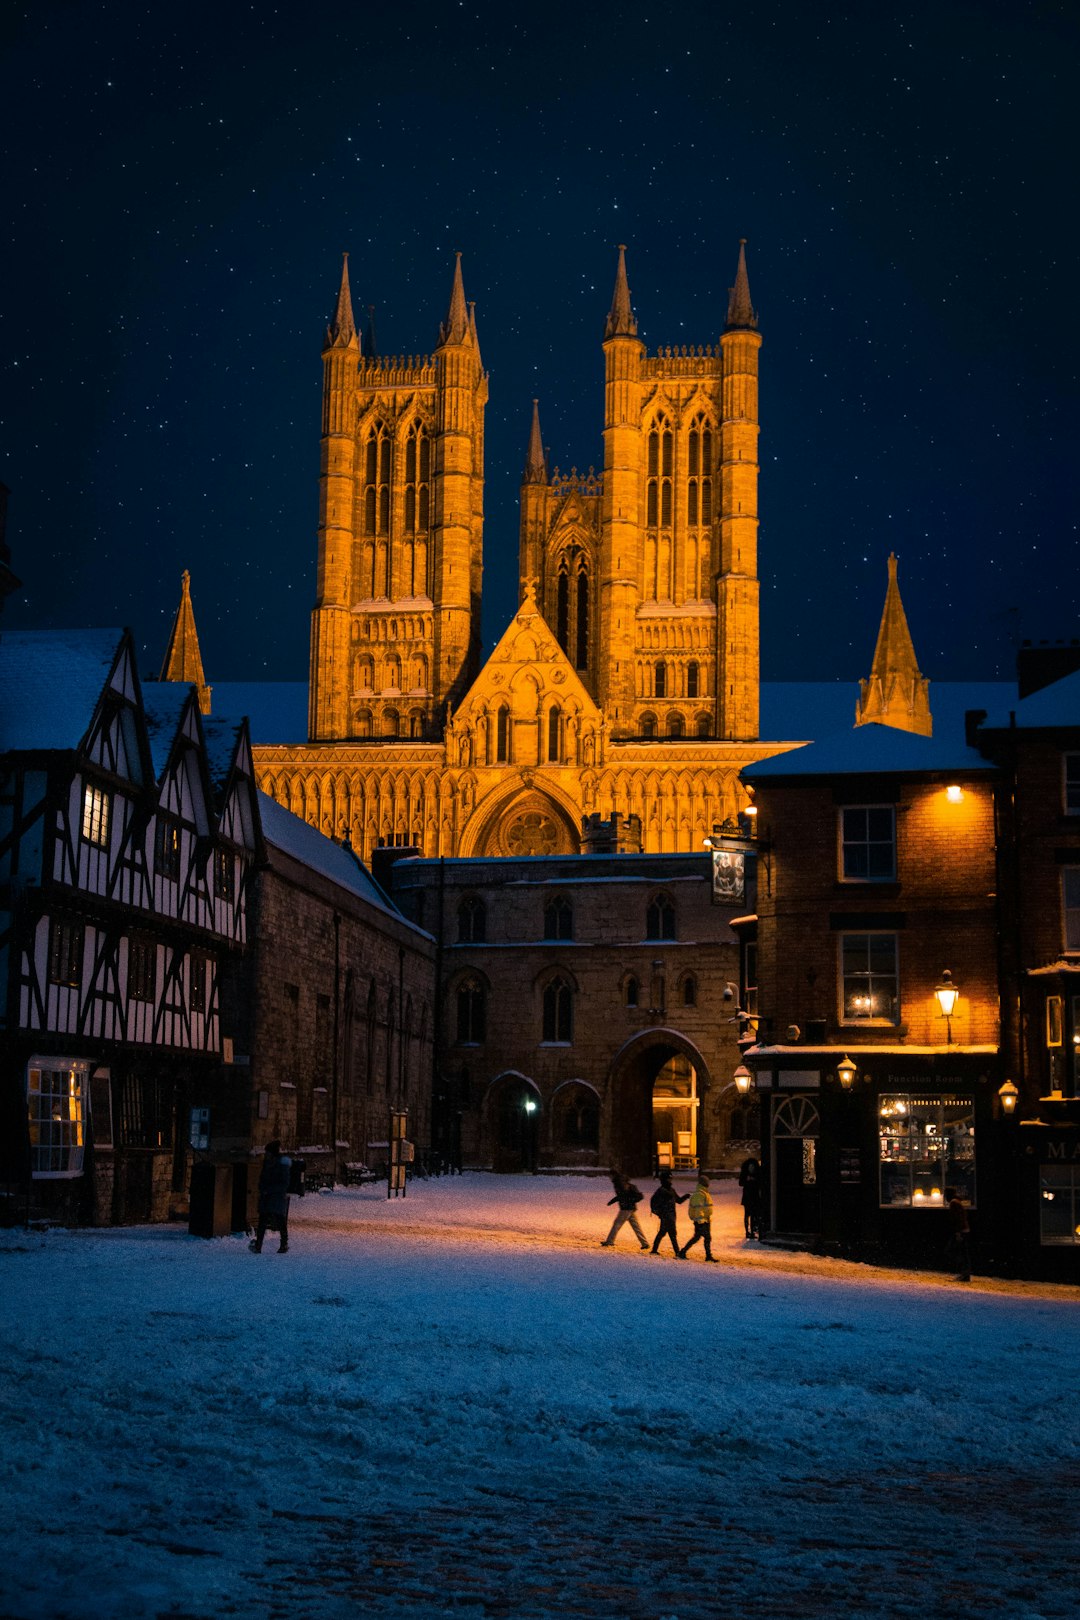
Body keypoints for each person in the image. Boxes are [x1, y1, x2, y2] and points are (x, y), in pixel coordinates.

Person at [250, 1140, 292, 1254]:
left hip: (276, 1197)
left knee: (280, 1221)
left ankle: (284, 1244)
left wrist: (270, 1190)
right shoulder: (267, 1163)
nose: (266, 1155)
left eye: (268, 1153)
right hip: (267, 1197)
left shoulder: (281, 1165)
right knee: (263, 1221)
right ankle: (258, 1245)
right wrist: (262, 1188)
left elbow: (284, 1183)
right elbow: (263, 1178)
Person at [601, 1170, 649, 1250]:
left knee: (617, 1224)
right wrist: (613, 1201)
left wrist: (615, 1201)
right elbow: (623, 1195)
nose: (609, 1177)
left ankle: (610, 1241)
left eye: (609, 1175)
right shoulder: (620, 1182)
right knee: (636, 1226)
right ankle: (645, 1243)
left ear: (613, 1175)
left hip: (626, 1208)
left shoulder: (619, 1183)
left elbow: (622, 1195)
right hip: (630, 1207)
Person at [649, 1170, 688, 1256]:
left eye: (671, 1179)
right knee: (671, 1234)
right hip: (666, 1216)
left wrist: (686, 1196)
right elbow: (653, 1203)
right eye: (669, 1179)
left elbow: (679, 1200)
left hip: (671, 1216)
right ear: (664, 1180)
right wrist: (659, 1213)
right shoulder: (661, 1191)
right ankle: (676, 1252)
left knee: (665, 1233)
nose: (670, 1181)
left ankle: (655, 1250)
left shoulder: (671, 1190)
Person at [680, 1173, 718, 1261]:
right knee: (702, 1238)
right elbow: (698, 1208)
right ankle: (684, 1252)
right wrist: (701, 1220)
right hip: (701, 1221)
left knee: (700, 1238)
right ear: (704, 1183)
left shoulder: (704, 1193)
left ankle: (684, 1251)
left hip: (705, 1220)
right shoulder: (700, 1194)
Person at [945, 1186, 971, 1281]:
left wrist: (958, 1233)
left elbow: (956, 1219)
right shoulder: (957, 1202)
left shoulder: (953, 1203)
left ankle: (964, 1273)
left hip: (961, 1231)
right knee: (962, 1252)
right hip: (964, 1230)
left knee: (953, 1251)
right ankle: (965, 1273)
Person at [738, 1156, 763, 1239]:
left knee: (752, 1214)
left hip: (753, 1196)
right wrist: (747, 1180)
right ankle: (748, 1232)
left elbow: (760, 1183)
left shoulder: (756, 1175)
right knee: (747, 1214)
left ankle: (752, 1232)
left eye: (752, 1167)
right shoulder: (746, 1174)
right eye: (750, 1167)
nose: (751, 1168)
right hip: (748, 1196)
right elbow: (740, 1183)